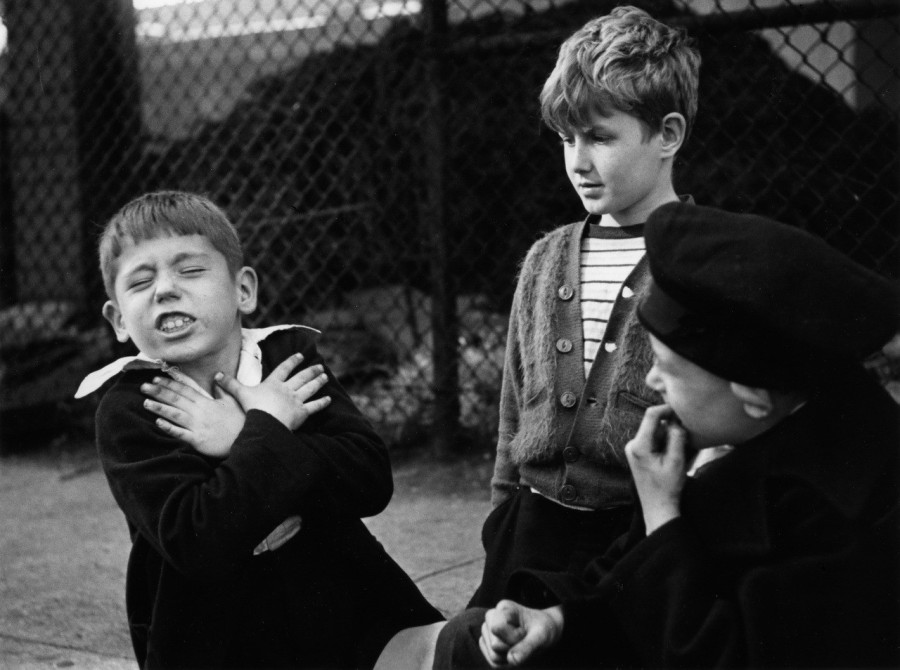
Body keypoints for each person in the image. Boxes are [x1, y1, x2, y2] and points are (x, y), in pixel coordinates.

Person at [463, 201, 900, 668]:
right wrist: (560, 619)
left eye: (667, 371)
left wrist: (662, 519)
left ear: (752, 394)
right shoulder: (749, 431)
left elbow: (721, 654)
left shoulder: (844, 516)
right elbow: (629, 585)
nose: (652, 383)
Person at [75, 190, 443, 670]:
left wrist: (239, 434)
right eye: (141, 281)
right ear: (119, 319)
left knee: (467, 649)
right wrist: (266, 429)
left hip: (348, 606)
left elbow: (370, 480)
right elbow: (197, 539)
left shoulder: (285, 362)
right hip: (221, 638)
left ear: (243, 289)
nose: (165, 289)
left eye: (189, 270)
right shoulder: (133, 407)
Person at [467, 4, 701, 613]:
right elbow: (514, 404)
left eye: (600, 137)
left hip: (634, 530)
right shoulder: (547, 260)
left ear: (668, 135)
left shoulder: (701, 259)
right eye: (567, 139)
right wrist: (500, 520)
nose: (577, 161)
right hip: (532, 524)